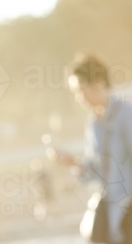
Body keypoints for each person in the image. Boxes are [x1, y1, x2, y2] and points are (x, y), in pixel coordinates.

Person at [50, 53, 132, 244]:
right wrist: (72, 163)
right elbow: (96, 172)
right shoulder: (93, 124)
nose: (79, 98)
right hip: (113, 215)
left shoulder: (126, 115)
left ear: (99, 81)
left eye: (81, 90)